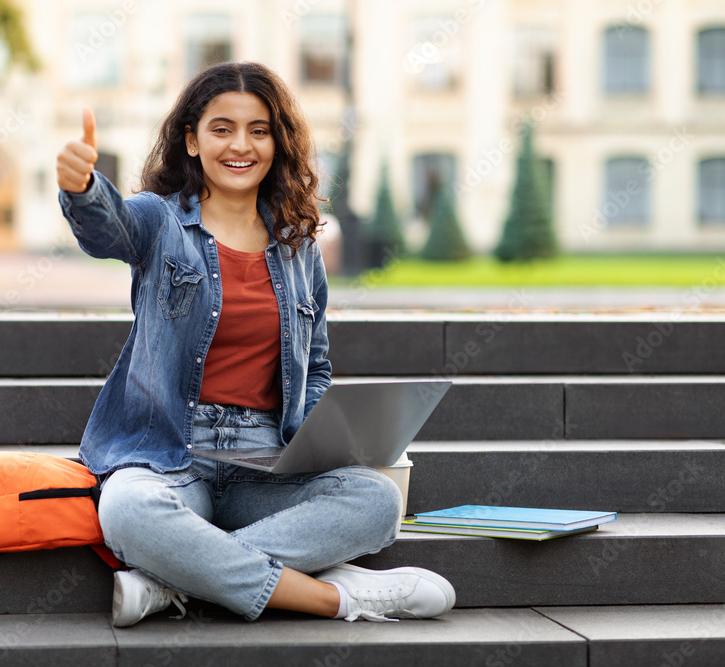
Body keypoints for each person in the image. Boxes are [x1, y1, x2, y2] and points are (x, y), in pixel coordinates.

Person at [56, 61, 455, 627]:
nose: (240, 145)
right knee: (126, 509)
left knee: (377, 501)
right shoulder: (160, 221)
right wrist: (83, 189)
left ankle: (171, 582)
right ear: (191, 141)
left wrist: (335, 436)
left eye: (258, 130)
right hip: (169, 454)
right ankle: (336, 597)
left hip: (265, 458)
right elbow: (109, 228)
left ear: (277, 142)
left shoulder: (299, 245)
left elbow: (314, 366)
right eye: (221, 129)